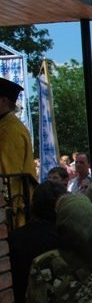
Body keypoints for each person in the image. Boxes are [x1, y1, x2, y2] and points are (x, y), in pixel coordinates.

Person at [0, 78, 36, 226]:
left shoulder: (9, 130)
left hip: (13, 214)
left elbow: (8, 175)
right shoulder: (6, 125)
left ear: (3, 101)